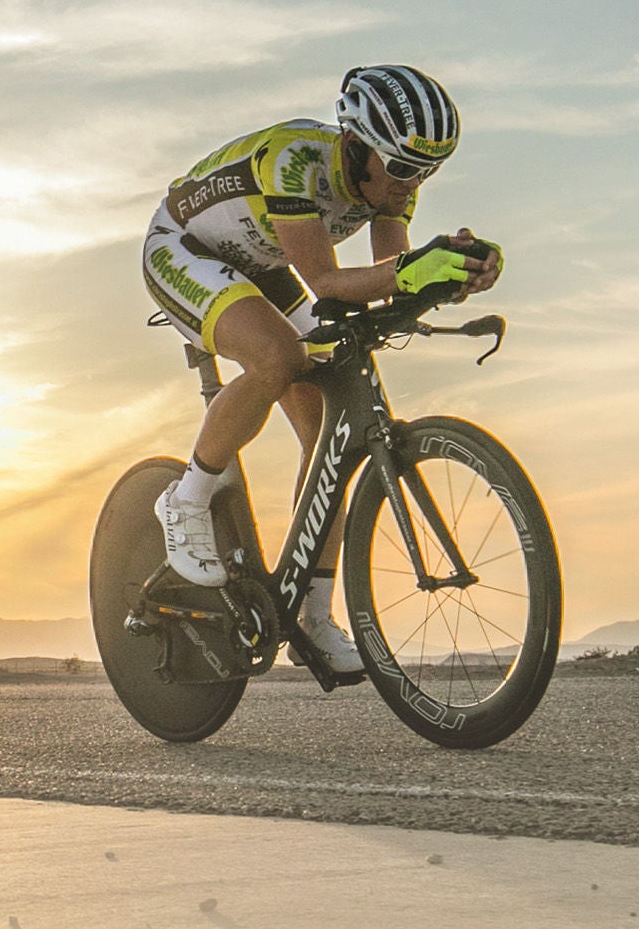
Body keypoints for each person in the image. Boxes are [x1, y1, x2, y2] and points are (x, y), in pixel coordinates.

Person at [140, 64, 501, 673]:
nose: (414, 184)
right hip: (184, 250)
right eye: (407, 168)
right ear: (359, 147)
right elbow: (330, 281)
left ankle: (313, 614)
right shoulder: (295, 160)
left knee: (330, 437)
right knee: (278, 356)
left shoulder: (390, 181)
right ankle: (185, 499)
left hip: (262, 264)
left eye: (429, 169)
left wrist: (453, 275)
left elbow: (391, 275)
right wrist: (416, 270)